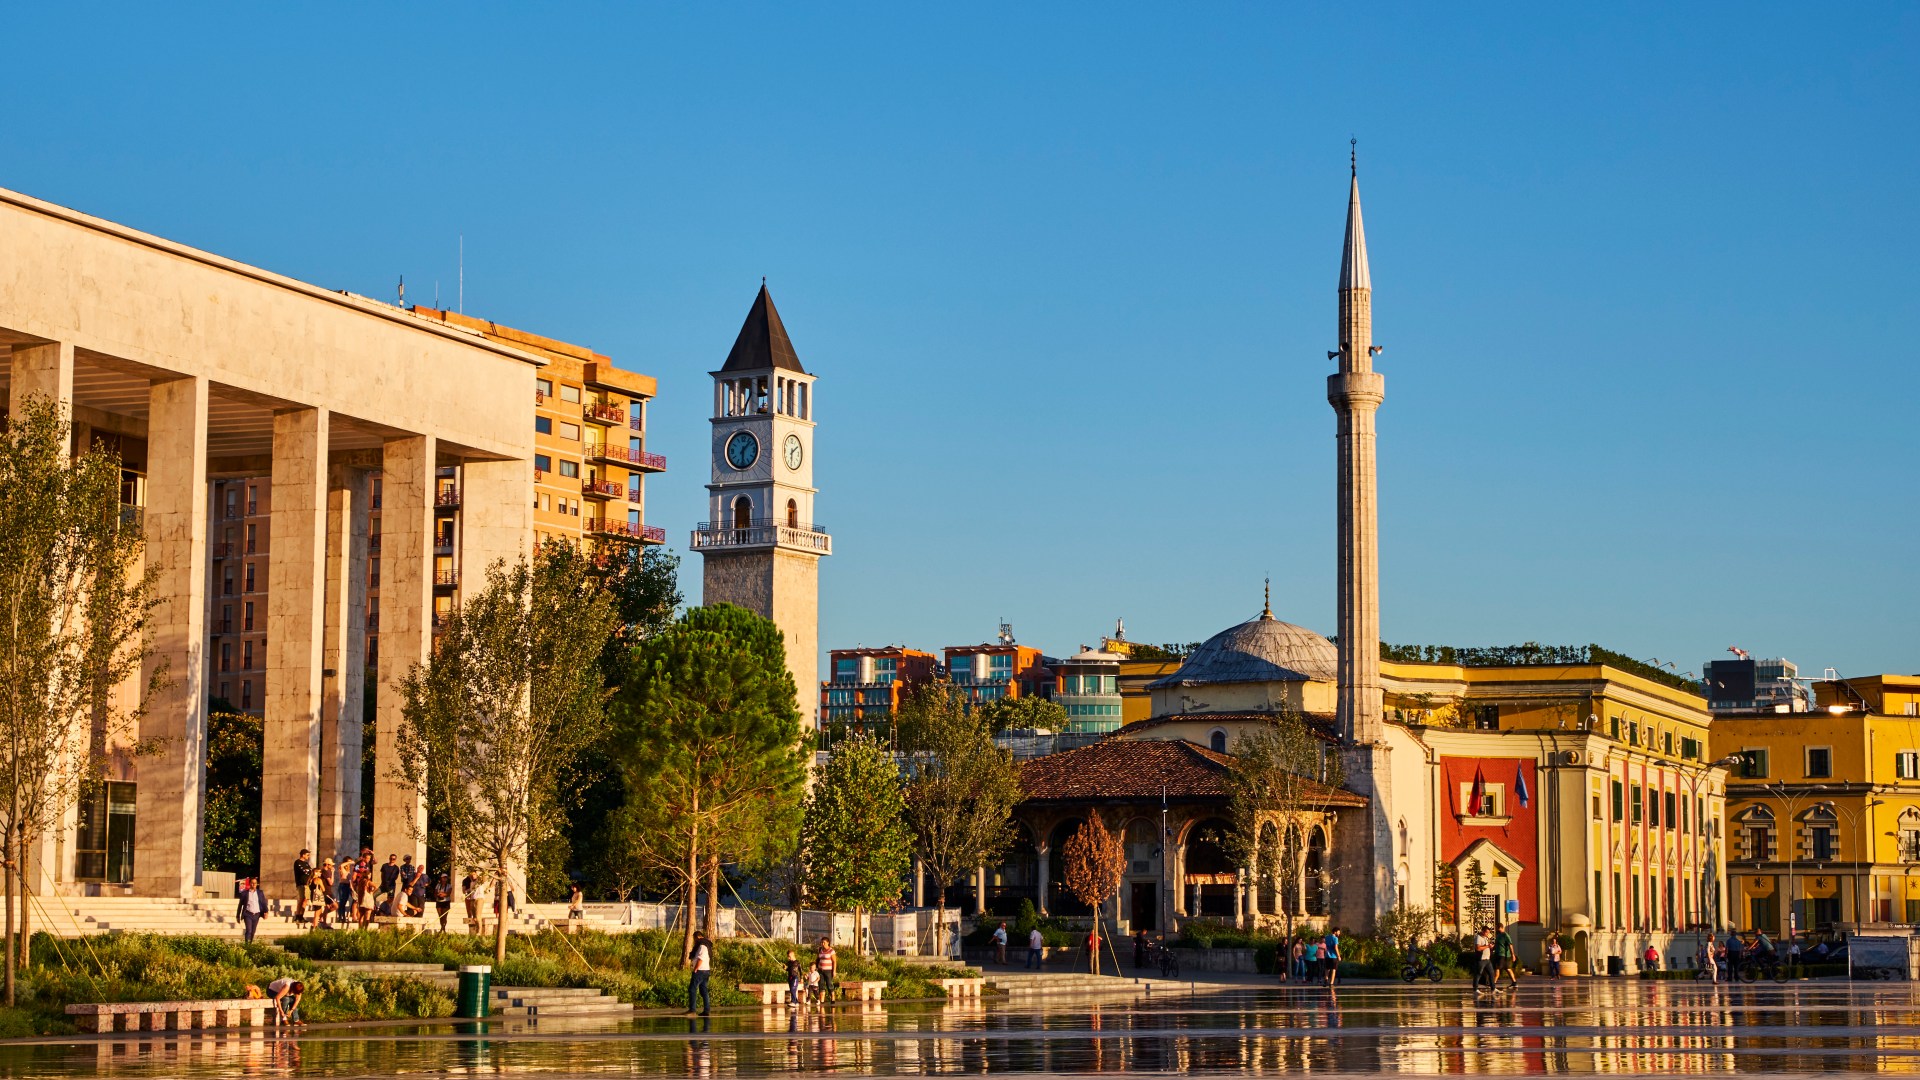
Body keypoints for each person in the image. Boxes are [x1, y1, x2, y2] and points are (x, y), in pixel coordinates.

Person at [685, 930, 714, 1016]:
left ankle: (692, 1010)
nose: (694, 941)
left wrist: (695, 969)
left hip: (700, 970)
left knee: (692, 989)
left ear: (697, 937)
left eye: (694, 939)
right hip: (705, 970)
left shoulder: (702, 946)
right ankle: (706, 1011)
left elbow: (701, 959)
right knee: (703, 990)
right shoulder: (705, 945)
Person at [236, 877, 267, 942]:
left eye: (255, 883)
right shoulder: (244, 893)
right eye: (252, 883)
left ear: (257, 884)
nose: (254, 884)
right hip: (248, 914)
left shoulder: (260, 893)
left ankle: (250, 944)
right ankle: (247, 945)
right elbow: (240, 905)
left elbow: (263, 902)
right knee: (249, 930)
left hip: (257, 914)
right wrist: (238, 916)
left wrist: (266, 912)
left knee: (253, 931)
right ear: (250, 883)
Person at [1494, 925, 1518, 989]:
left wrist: (1513, 955)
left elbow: (1510, 945)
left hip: (1503, 955)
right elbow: (1497, 945)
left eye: (1497, 928)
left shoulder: (1505, 935)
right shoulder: (1498, 935)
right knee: (1508, 969)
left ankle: (1493, 983)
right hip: (1499, 954)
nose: (1496, 929)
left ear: (1501, 927)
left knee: (1497, 968)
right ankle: (1514, 983)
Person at [292, 850, 313, 922]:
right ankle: (297, 915)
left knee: (306, 899)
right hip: (301, 883)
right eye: (307, 855)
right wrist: (308, 871)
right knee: (301, 899)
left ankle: (301, 916)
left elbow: (311, 872)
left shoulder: (306, 863)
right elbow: (304, 871)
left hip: (307, 884)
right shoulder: (297, 862)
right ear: (303, 855)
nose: (308, 856)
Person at [1472, 927, 1495, 992]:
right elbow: (1478, 948)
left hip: (1487, 959)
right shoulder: (1478, 938)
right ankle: (1475, 989)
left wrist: (1490, 947)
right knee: (1478, 973)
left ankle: (1493, 988)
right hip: (1481, 959)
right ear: (1482, 931)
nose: (1487, 934)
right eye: (1486, 932)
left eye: (1488, 932)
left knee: (1491, 973)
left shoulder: (1485, 938)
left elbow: (1486, 947)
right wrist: (1487, 946)